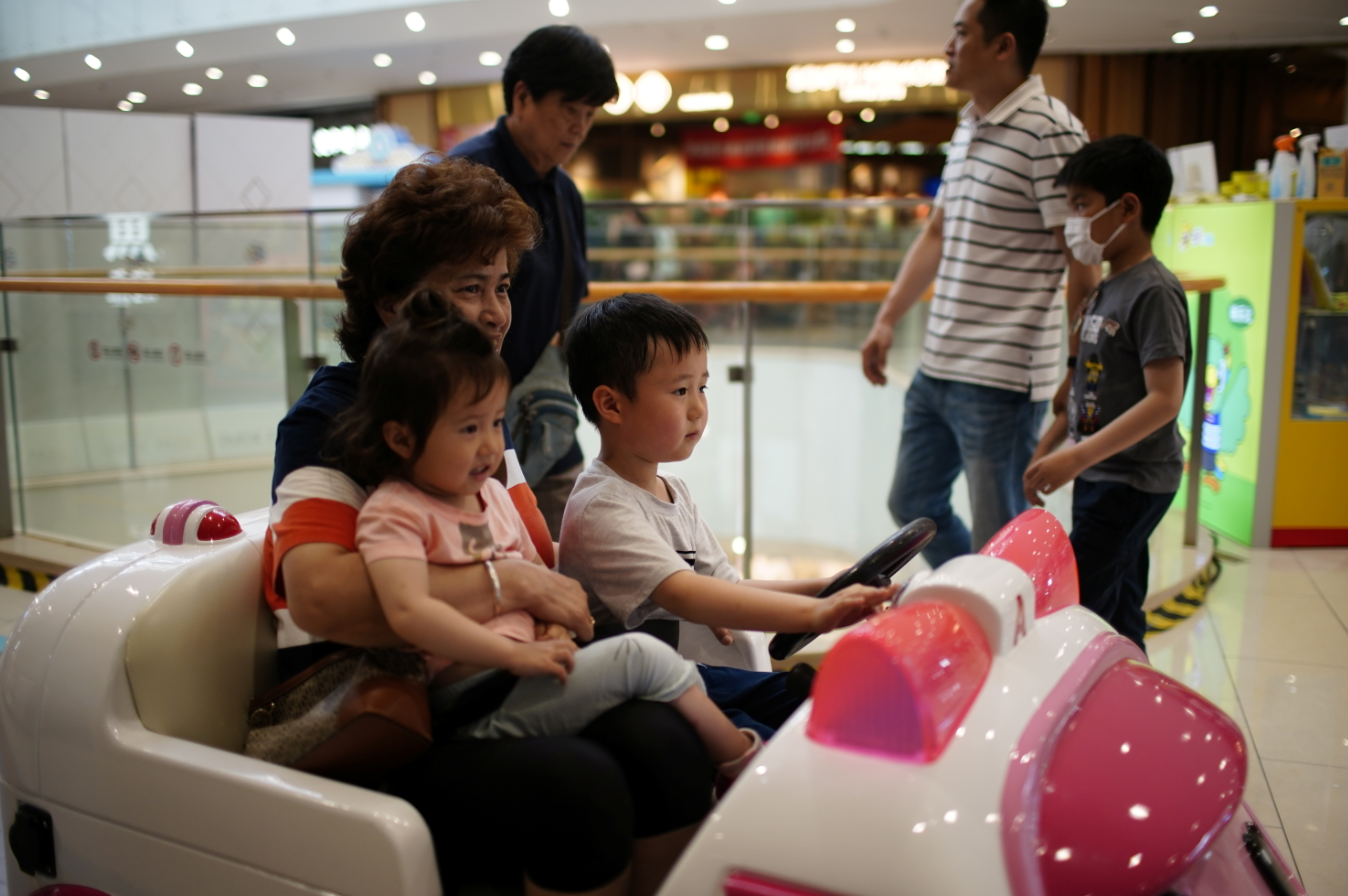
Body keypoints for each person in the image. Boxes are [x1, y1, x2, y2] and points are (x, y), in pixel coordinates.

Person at [266, 157, 715, 896]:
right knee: (579, 786)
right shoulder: (331, 417)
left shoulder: (472, 401)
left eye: (502, 285)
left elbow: (534, 557)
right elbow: (320, 597)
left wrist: (549, 611)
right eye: (468, 286)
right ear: (390, 303)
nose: (497, 310)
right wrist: (513, 586)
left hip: (498, 677)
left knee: (667, 739)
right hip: (394, 703)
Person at [335, 291, 762, 785]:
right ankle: (741, 762)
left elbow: (538, 584)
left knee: (690, 698)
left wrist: (552, 630)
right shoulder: (394, 512)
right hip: (473, 696)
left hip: (525, 674)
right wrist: (515, 654)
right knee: (643, 657)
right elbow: (409, 611)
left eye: (496, 422)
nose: (491, 445)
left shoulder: (493, 499)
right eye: (469, 428)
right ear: (401, 438)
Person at [560, 293, 896, 738]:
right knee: (792, 739)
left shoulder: (673, 491)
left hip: (708, 679)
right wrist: (817, 615)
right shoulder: (601, 506)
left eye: (702, 387)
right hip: (657, 697)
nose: (698, 407)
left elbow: (726, 589)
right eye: (680, 391)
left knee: (836, 703)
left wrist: (828, 589)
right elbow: (686, 594)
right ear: (612, 405)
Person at [859, 0, 1098, 568]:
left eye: (961, 32)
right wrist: (888, 318)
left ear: (1002, 45)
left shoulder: (1052, 133)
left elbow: (1082, 263)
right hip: (939, 364)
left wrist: (1074, 367)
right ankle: (981, 595)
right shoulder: (968, 122)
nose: (948, 45)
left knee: (1002, 532)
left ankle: (1004, 633)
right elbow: (937, 233)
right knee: (911, 502)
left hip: (1002, 379)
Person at [1022, 135, 1190, 653]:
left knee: (1080, 607)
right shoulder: (1109, 285)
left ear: (1128, 207)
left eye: (1081, 206)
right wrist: (1053, 441)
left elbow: (1164, 398)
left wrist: (1075, 457)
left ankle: (1085, 704)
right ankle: (1134, 694)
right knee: (1117, 603)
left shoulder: (1154, 290)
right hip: (1104, 472)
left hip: (1131, 479)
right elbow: (1094, 383)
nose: (1073, 221)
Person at [454, 24, 616, 537]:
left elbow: (573, 305)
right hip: (465, 413)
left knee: (576, 546)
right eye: (570, 109)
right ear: (522, 95)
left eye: (590, 115)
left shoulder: (565, 191)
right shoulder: (466, 178)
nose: (579, 127)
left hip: (541, 416)